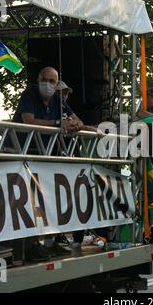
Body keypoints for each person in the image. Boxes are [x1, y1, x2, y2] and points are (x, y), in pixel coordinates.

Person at [12, 67, 93, 261]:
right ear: (38, 79)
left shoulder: (58, 100)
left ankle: (51, 241)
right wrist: (59, 124)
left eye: (51, 81)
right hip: (21, 155)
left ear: (57, 84)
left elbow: (76, 119)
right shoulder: (29, 95)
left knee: (51, 198)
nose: (47, 84)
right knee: (29, 201)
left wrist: (76, 125)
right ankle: (30, 244)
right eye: (44, 79)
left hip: (45, 156)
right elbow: (28, 120)